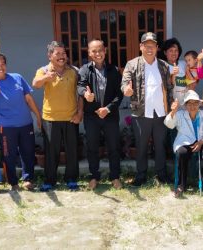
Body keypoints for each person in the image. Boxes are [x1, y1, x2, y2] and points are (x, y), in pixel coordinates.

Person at [121, 32, 173, 186]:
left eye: (153, 46)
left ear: (157, 48)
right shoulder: (132, 64)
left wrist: (170, 108)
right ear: (141, 46)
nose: (150, 48)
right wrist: (126, 90)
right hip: (141, 112)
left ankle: (161, 174)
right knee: (141, 145)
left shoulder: (163, 65)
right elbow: (124, 83)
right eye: (146, 45)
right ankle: (141, 175)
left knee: (160, 145)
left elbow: (169, 87)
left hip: (160, 112)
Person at [33, 41, 83, 191]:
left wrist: (80, 113)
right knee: (51, 152)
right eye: (57, 53)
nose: (62, 56)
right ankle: (50, 181)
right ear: (50, 56)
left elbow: (81, 94)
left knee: (72, 151)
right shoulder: (43, 70)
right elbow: (35, 84)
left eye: (64, 53)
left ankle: (71, 179)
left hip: (71, 117)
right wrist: (46, 78)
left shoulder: (74, 71)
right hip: (50, 119)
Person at [0, 52, 41, 190]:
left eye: (3, 63)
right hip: (6, 127)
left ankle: (28, 179)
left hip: (26, 123)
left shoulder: (17, 77)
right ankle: (13, 182)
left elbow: (28, 98)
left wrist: (38, 116)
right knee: (8, 155)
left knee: (28, 152)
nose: (0, 67)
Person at [77, 39, 123, 190]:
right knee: (92, 147)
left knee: (114, 147)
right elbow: (80, 86)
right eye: (94, 51)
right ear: (89, 53)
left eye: (100, 50)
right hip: (92, 116)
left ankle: (115, 177)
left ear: (105, 51)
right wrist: (85, 94)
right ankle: (94, 177)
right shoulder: (85, 69)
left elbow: (119, 94)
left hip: (110, 116)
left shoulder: (114, 70)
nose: (97, 54)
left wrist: (108, 109)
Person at [164, 90, 203, 197]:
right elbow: (169, 124)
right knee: (181, 153)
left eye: (195, 103)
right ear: (186, 105)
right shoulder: (180, 114)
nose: (192, 106)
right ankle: (181, 185)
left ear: (199, 104)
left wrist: (201, 142)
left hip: (202, 142)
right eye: (189, 103)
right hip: (185, 142)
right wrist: (173, 112)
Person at [161, 37, 187, 105]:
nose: (174, 53)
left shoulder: (184, 64)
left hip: (186, 103)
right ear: (165, 52)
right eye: (171, 50)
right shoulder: (162, 67)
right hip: (171, 104)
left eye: (176, 50)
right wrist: (171, 74)